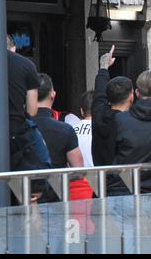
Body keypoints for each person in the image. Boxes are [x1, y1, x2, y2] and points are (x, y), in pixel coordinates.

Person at [33, 73, 92, 202]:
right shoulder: (65, 129)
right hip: (56, 200)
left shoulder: (16, 127)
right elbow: (78, 171)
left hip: (19, 199)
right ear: (53, 95)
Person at [7, 39, 51, 203]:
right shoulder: (26, 65)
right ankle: (36, 189)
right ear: (13, 48)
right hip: (16, 133)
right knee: (31, 196)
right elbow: (32, 110)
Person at [91, 46, 134, 195]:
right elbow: (99, 96)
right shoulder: (129, 122)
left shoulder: (98, 116)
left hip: (101, 187)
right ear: (131, 96)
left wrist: (103, 68)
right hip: (123, 188)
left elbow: (99, 95)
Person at [71, 90, 94, 167]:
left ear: (81, 111)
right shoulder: (104, 131)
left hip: (77, 178)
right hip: (99, 177)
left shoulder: (71, 130)